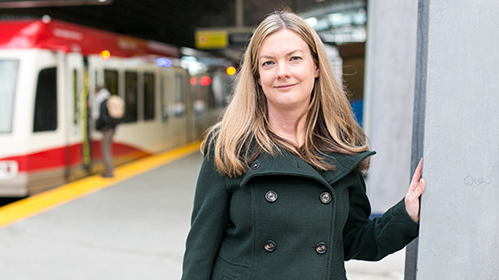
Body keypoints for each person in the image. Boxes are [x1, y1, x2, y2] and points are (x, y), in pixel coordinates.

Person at [181, 11, 426, 280]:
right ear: (257, 77)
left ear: (316, 67)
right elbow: (200, 250)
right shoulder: (229, 144)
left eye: (294, 59)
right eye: (268, 63)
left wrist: (407, 213)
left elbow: (353, 239)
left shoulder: (342, 144)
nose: (282, 72)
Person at [92, 84, 123, 178]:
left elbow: (102, 117)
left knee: (105, 150)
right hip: (112, 128)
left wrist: (100, 127)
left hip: (106, 129)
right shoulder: (109, 98)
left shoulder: (101, 102)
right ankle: (109, 171)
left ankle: (109, 172)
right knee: (107, 149)